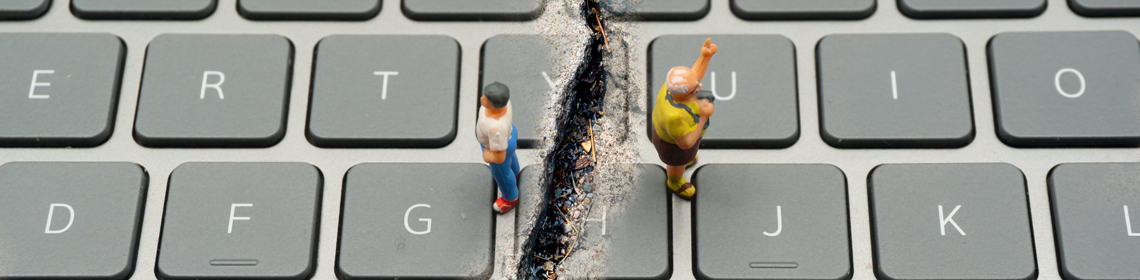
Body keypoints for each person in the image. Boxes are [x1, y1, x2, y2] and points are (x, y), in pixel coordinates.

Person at [651, 38, 717, 200]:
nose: (699, 87)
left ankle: (685, 161)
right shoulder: (675, 117)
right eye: (696, 89)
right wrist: (703, 117)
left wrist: (705, 56)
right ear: (684, 94)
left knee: (686, 157)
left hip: (677, 137)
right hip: (674, 146)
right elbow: (686, 143)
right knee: (677, 162)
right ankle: (674, 181)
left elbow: (694, 76)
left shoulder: (672, 87)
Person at [477, 82, 520, 214]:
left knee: (501, 173)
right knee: (511, 161)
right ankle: (516, 172)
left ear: (496, 106)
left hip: (499, 148)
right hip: (509, 135)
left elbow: (500, 156)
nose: (482, 99)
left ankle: (510, 198)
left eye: (486, 99)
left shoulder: (496, 128)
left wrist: (487, 156)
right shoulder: (505, 104)